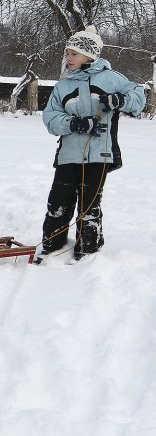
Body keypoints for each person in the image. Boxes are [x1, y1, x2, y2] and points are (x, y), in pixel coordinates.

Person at [39, 25, 146, 260]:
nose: (68, 58)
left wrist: (120, 99)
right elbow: (50, 118)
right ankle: (51, 244)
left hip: (99, 154)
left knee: (89, 203)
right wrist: (75, 124)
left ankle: (88, 247)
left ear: (90, 55)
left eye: (73, 53)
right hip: (68, 154)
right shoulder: (63, 86)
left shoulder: (112, 79)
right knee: (59, 200)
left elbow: (138, 99)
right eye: (67, 53)